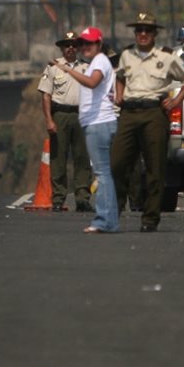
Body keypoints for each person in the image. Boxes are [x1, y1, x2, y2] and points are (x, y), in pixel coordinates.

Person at [110, 11, 184, 232]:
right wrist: (119, 94)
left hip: (153, 114)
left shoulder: (166, 57)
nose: (143, 34)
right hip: (129, 113)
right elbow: (119, 77)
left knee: (155, 168)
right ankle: (115, 211)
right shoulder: (126, 56)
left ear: (155, 34)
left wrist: (176, 100)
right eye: (139, 30)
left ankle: (150, 218)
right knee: (117, 163)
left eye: (147, 30)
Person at [50, 26, 119, 233]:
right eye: (83, 43)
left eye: (90, 43)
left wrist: (67, 70)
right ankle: (110, 221)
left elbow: (92, 82)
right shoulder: (95, 62)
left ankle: (103, 221)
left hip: (99, 123)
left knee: (102, 174)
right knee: (103, 174)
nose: (84, 47)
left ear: (99, 44)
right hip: (94, 122)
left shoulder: (98, 61)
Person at [37, 31, 92, 212]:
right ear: (62, 48)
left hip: (81, 115)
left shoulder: (86, 68)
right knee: (58, 157)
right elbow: (46, 95)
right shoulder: (53, 68)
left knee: (82, 158)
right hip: (60, 114)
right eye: (67, 45)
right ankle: (59, 198)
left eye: (74, 45)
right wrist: (49, 120)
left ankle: (82, 198)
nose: (70, 48)